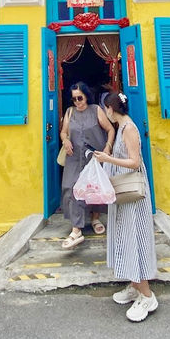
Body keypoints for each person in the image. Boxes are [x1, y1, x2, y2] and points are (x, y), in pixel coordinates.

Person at [93, 91, 158, 323]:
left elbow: (135, 161)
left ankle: (147, 295)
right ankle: (134, 286)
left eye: (105, 109)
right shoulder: (121, 127)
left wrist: (108, 160)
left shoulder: (129, 128)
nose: (105, 113)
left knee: (134, 238)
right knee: (125, 237)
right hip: (123, 193)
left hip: (132, 195)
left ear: (111, 109)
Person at [59, 81, 115, 250]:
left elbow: (110, 129)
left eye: (80, 98)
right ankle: (77, 228)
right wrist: (65, 139)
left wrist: (108, 147)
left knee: (94, 188)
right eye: (74, 99)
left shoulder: (96, 110)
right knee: (70, 187)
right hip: (74, 157)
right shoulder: (70, 112)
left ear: (86, 96)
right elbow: (63, 131)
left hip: (95, 156)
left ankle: (95, 218)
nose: (77, 102)